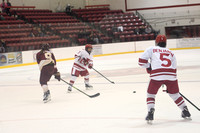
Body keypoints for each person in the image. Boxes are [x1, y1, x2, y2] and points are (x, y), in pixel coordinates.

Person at [138, 35, 191, 124]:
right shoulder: (171, 52)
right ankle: (185, 110)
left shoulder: (151, 49)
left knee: (150, 94)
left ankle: (150, 111)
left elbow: (141, 61)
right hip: (171, 75)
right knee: (175, 95)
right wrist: (170, 80)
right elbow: (174, 67)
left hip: (157, 76)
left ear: (156, 42)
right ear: (165, 43)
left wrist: (149, 66)